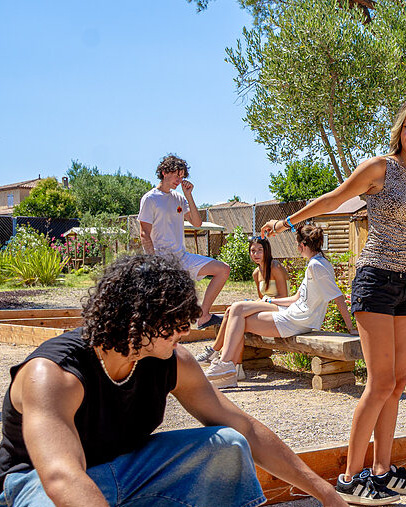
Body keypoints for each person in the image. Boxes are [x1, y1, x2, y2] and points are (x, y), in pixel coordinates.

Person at [0, 254, 382, 507]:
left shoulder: (171, 361)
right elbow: (62, 479)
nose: (190, 326)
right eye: (175, 318)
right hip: (34, 485)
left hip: (122, 472)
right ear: (138, 319)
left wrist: (328, 495)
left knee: (227, 445)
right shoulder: (52, 373)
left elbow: (244, 427)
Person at [262, 96, 406, 500]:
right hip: (376, 280)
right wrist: (289, 221)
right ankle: (351, 478)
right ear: (399, 129)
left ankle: (382, 470)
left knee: (398, 382)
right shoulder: (380, 168)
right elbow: (334, 199)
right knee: (379, 382)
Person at [203, 224, 360, 400]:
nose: (297, 248)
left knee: (238, 316)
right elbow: (296, 298)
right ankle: (228, 370)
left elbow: (338, 296)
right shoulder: (316, 263)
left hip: (297, 320)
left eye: (297, 244)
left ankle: (226, 366)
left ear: (302, 245)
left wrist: (350, 327)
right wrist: (269, 300)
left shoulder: (317, 266)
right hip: (294, 313)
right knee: (237, 313)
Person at [138, 154, 229, 329]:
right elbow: (144, 234)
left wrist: (188, 196)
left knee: (223, 270)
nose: (179, 180)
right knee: (166, 311)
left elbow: (197, 223)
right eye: (176, 175)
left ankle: (203, 316)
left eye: (182, 176)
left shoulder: (179, 198)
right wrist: (153, 263)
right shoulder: (150, 198)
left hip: (182, 257)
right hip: (162, 260)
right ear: (164, 172)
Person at [195, 235, 291, 366]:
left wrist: (261, 303)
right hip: (267, 307)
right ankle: (231, 363)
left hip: (281, 307)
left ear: (267, 251)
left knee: (235, 312)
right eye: (253, 251)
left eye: (260, 250)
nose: (256, 254)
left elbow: (285, 297)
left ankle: (214, 353)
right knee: (232, 312)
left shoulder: (275, 266)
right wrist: (254, 302)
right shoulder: (256, 273)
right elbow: (261, 297)